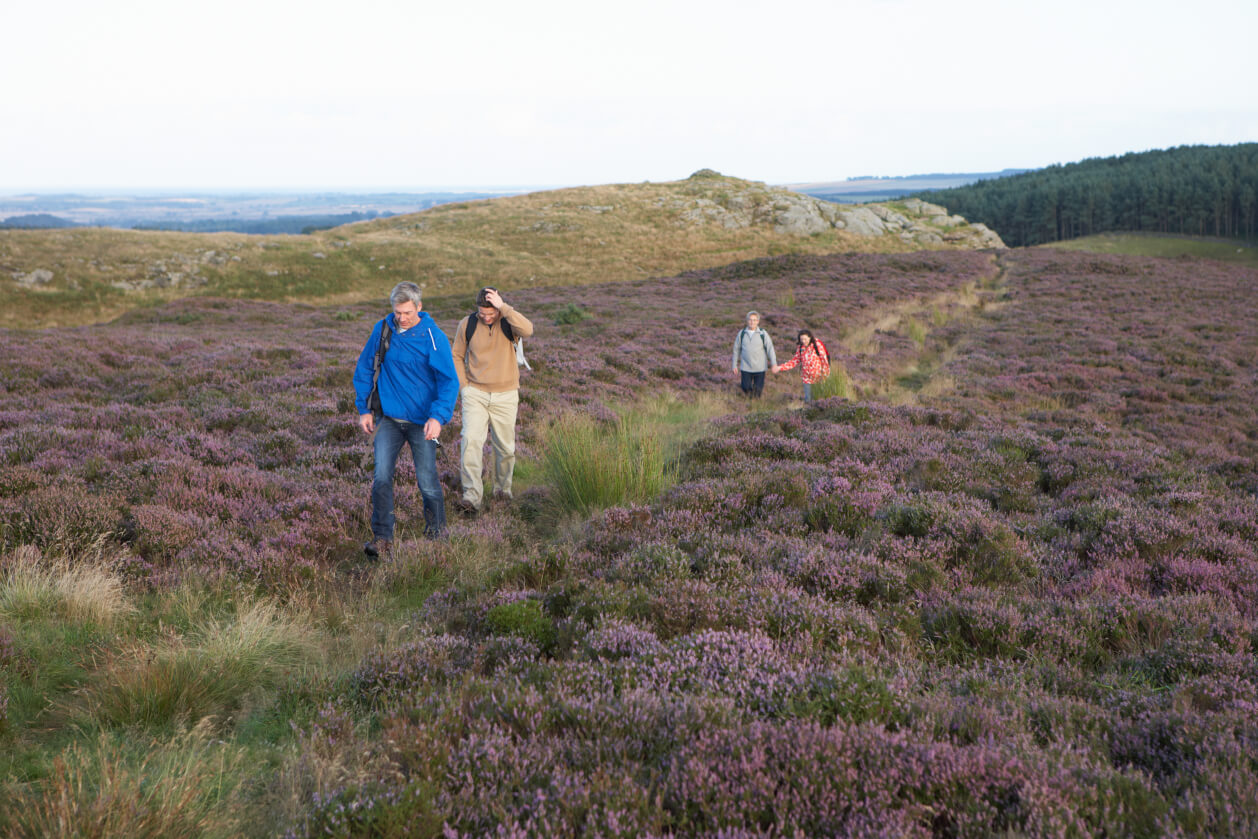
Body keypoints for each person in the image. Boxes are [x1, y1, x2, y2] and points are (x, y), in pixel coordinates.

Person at [353, 281, 460, 558]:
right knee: (381, 477)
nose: (401, 318)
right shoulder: (383, 329)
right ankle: (382, 539)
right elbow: (365, 368)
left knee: (427, 480)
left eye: (407, 312)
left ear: (419, 308)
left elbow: (449, 382)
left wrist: (438, 417)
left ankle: (437, 537)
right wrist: (364, 410)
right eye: (397, 312)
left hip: (423, 422)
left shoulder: (433, 337)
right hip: (388, 419)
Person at [451, 286, 534, 514]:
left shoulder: (508, 320)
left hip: (506, 394)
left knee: (505, 448)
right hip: (475, 394)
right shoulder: (466, 324)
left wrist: (503, 307)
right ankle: (471, 498)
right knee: (470, 442)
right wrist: (464, 387)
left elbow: (528, 330)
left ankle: (502, 492)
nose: (487, 317)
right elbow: (456, 355)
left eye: (491, 313)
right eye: (482, 313)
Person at [773, 329, 831, 402]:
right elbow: (794, 361)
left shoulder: (817, 345)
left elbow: (824, 361)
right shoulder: (800, 347)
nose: (803, 341)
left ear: (810, 337)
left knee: (818, 400)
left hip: (819, 378)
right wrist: (780, 367)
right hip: (806, 378)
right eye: (801, 339)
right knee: (808, 400)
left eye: (805, 339)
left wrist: (825, 376)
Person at [731, 310, 776, 399]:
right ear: (747, 321)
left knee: (758, 390)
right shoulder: (741, 333)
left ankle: (754, 406)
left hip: (760, 368)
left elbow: (770, 349)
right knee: (745, 387)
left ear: (758, 321)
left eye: (755, 320)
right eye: (750, 320)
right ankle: (751, 401)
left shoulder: (763, 333)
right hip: (746, 367)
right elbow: (736, 350)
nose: (752, 322)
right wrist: (734, 365)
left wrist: (774, 363)